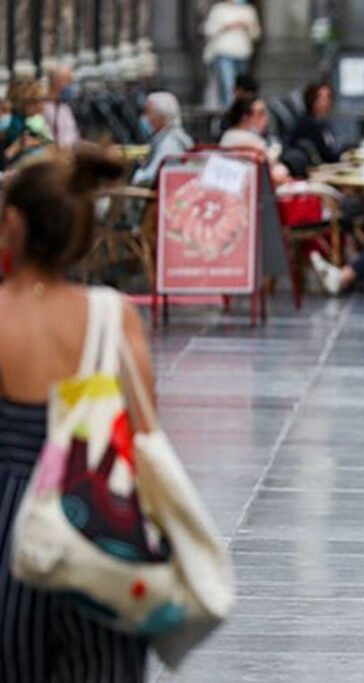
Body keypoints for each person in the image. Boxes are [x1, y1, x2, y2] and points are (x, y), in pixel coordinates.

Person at [0, 147, 154, 681]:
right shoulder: (114, 316)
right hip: (97, 516)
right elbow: (144, 430)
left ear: (14, 224)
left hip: (10, 520)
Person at [203, 0, 262, 108]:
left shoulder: (248, 10)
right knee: (227, 84)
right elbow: (208, 30)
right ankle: (228, 109)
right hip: (223, 51)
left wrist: (246, 27)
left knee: (239, 86)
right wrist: (227, 26)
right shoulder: (218, 9)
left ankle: (239, 109)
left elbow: (256, 34)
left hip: (242, 53)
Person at [131, 92, 194, 187]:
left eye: (148, 112)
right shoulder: (168, 137)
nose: (146, 118)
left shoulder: (170, 142)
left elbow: (149, 177)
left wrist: (133, 177)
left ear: (160, 117)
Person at [289, 82, 350, 166]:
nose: (325, 102)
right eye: (320, 98)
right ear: (311, 100)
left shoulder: (323, 123)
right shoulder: (308, 124)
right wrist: (346, 151)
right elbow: (328, 156)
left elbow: (332, 147)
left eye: (329, 98)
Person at [1, 79, 55, 171]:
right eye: (41, 101)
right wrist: (15, 149)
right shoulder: (8, 123)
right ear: (29, 103)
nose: (43, 105)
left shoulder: (26, 122)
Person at [42, 64, 80, 150]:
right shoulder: (44, 108)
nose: (70, 86)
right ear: (56, 82)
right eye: (68, 81)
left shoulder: (64, 106)